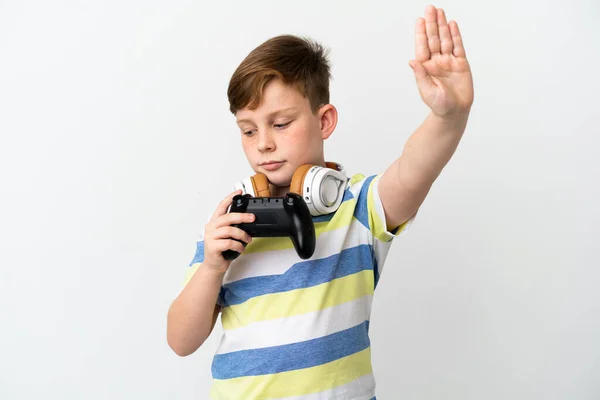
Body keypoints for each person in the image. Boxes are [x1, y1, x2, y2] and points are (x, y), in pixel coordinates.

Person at [167, 4, 474, 399]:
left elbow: (413, 170)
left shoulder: (358, 209)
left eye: (280, 124)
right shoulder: (231, 223)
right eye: (248, 130)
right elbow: (180, 340)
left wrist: (448, 118)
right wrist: (211, 267)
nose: (263, 143)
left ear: (324, 120)